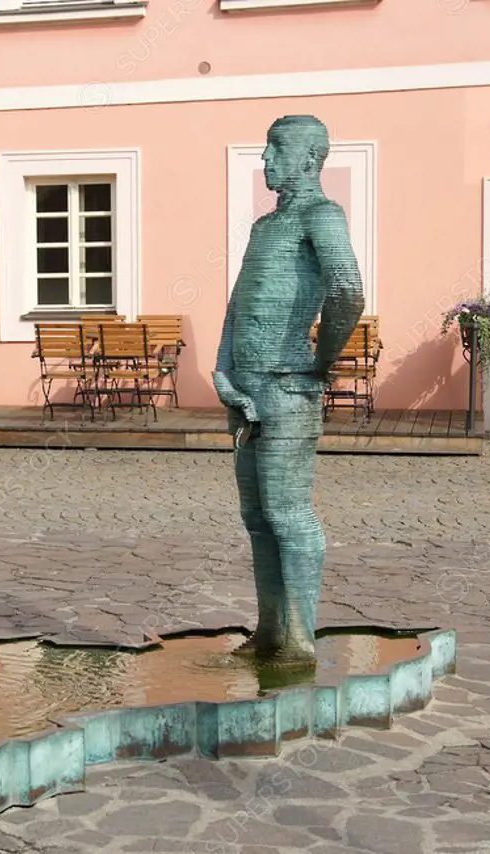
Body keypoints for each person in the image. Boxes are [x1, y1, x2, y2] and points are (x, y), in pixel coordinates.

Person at [213, 115, 364, 664]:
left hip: (288, 386)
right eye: (265, 147)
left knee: (288, 512)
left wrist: (320, 362)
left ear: (308, 158)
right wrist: (223, 367)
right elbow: (237, 304)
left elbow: (347, 289)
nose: (265, 159)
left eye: (276, 148)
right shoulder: (262, 227)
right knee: (256, 518)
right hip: (248, 387)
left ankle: (300, 636)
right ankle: (271, 629)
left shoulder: (321, 215)